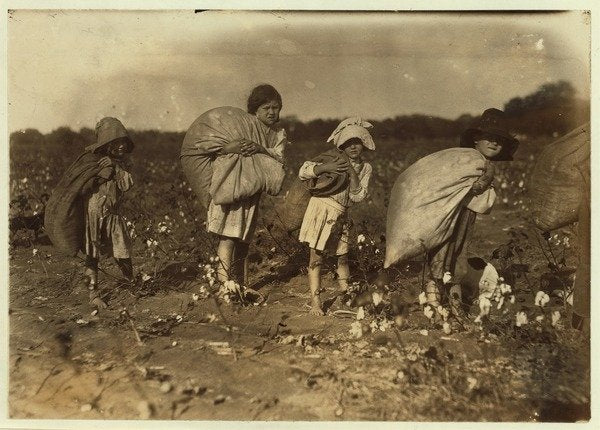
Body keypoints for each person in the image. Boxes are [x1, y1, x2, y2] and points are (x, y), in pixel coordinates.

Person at [425, 108, 518, 316]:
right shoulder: (465, 159)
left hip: (464, 215)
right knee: (444, 249)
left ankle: (452, 303)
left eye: (499, 141)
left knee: (456, 251)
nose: (494, 143)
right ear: (476, 138)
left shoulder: (486, 164)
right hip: (448, 211)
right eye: (490, 138)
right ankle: (436, 300)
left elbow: (475, 188)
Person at [45, 117, 135, 309]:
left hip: (112, 216)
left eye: (123, 143)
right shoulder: (90, 161)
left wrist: (115, 167)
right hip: (93, 217)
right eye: (116, 143)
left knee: (123, 252)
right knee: (92, 257)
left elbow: (126, 185)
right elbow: (81, 187)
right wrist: (102, 173)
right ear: (107, 144)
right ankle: (93, 294)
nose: (121, 147)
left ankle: (131, 283)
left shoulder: (120, 165)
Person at [206, 84, 287, 285]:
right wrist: (229, 147)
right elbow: (216, 148)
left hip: (252, 193)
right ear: (255, 110)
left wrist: (260, 148)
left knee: (243, 241)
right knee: (228, 238)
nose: (271, 112)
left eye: (275, 107)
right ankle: (225, 286)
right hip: (232, 188)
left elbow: (279, 158)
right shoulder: (241, 125)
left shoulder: (278, 134)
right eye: (265, 108)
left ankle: (241, 285)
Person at [297, 118, 374, 315]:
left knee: (342, 257)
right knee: (317, 255)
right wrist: (324, 168)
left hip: (341, 213)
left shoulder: (365, 168)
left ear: (364, 143)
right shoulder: (331, 158)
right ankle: (315, 302)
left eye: (357, 142)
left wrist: (351, 171)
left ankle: (345, 297)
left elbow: (358, 196)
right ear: (341, 145)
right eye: (348, 143)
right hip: (321, 208)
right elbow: (304, 172)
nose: (353, 147)